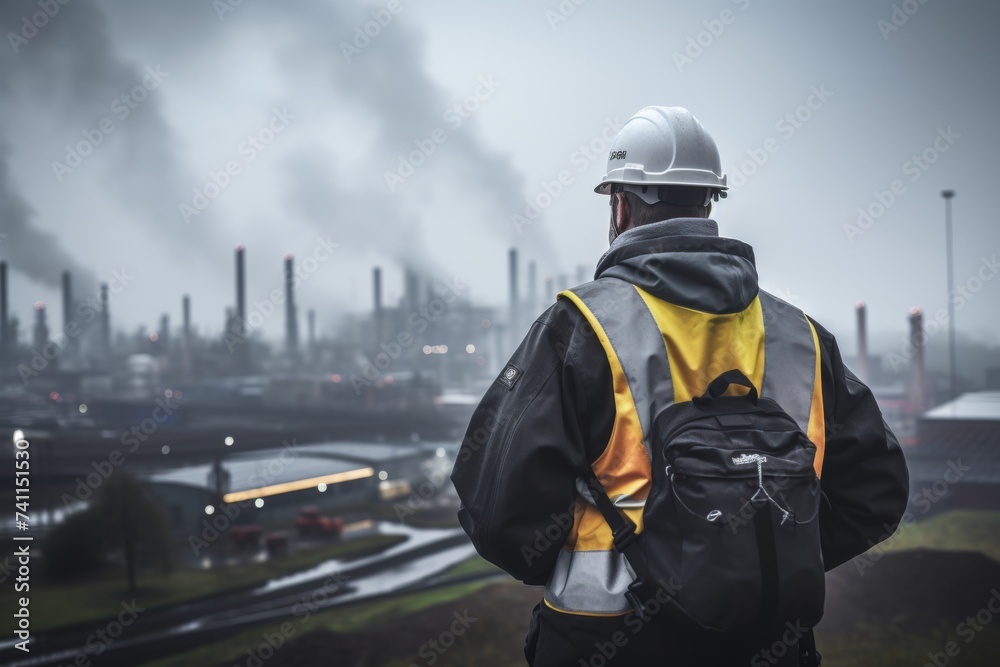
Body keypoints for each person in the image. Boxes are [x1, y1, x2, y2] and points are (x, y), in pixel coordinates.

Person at [450, 106, 909, 666]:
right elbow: (876, 493)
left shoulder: (580, 328)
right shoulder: (801, 336)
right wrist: (764, 566)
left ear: (619, 202)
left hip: (607, 641)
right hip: (770, 644)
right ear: (710, 200)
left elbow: (499, 511)